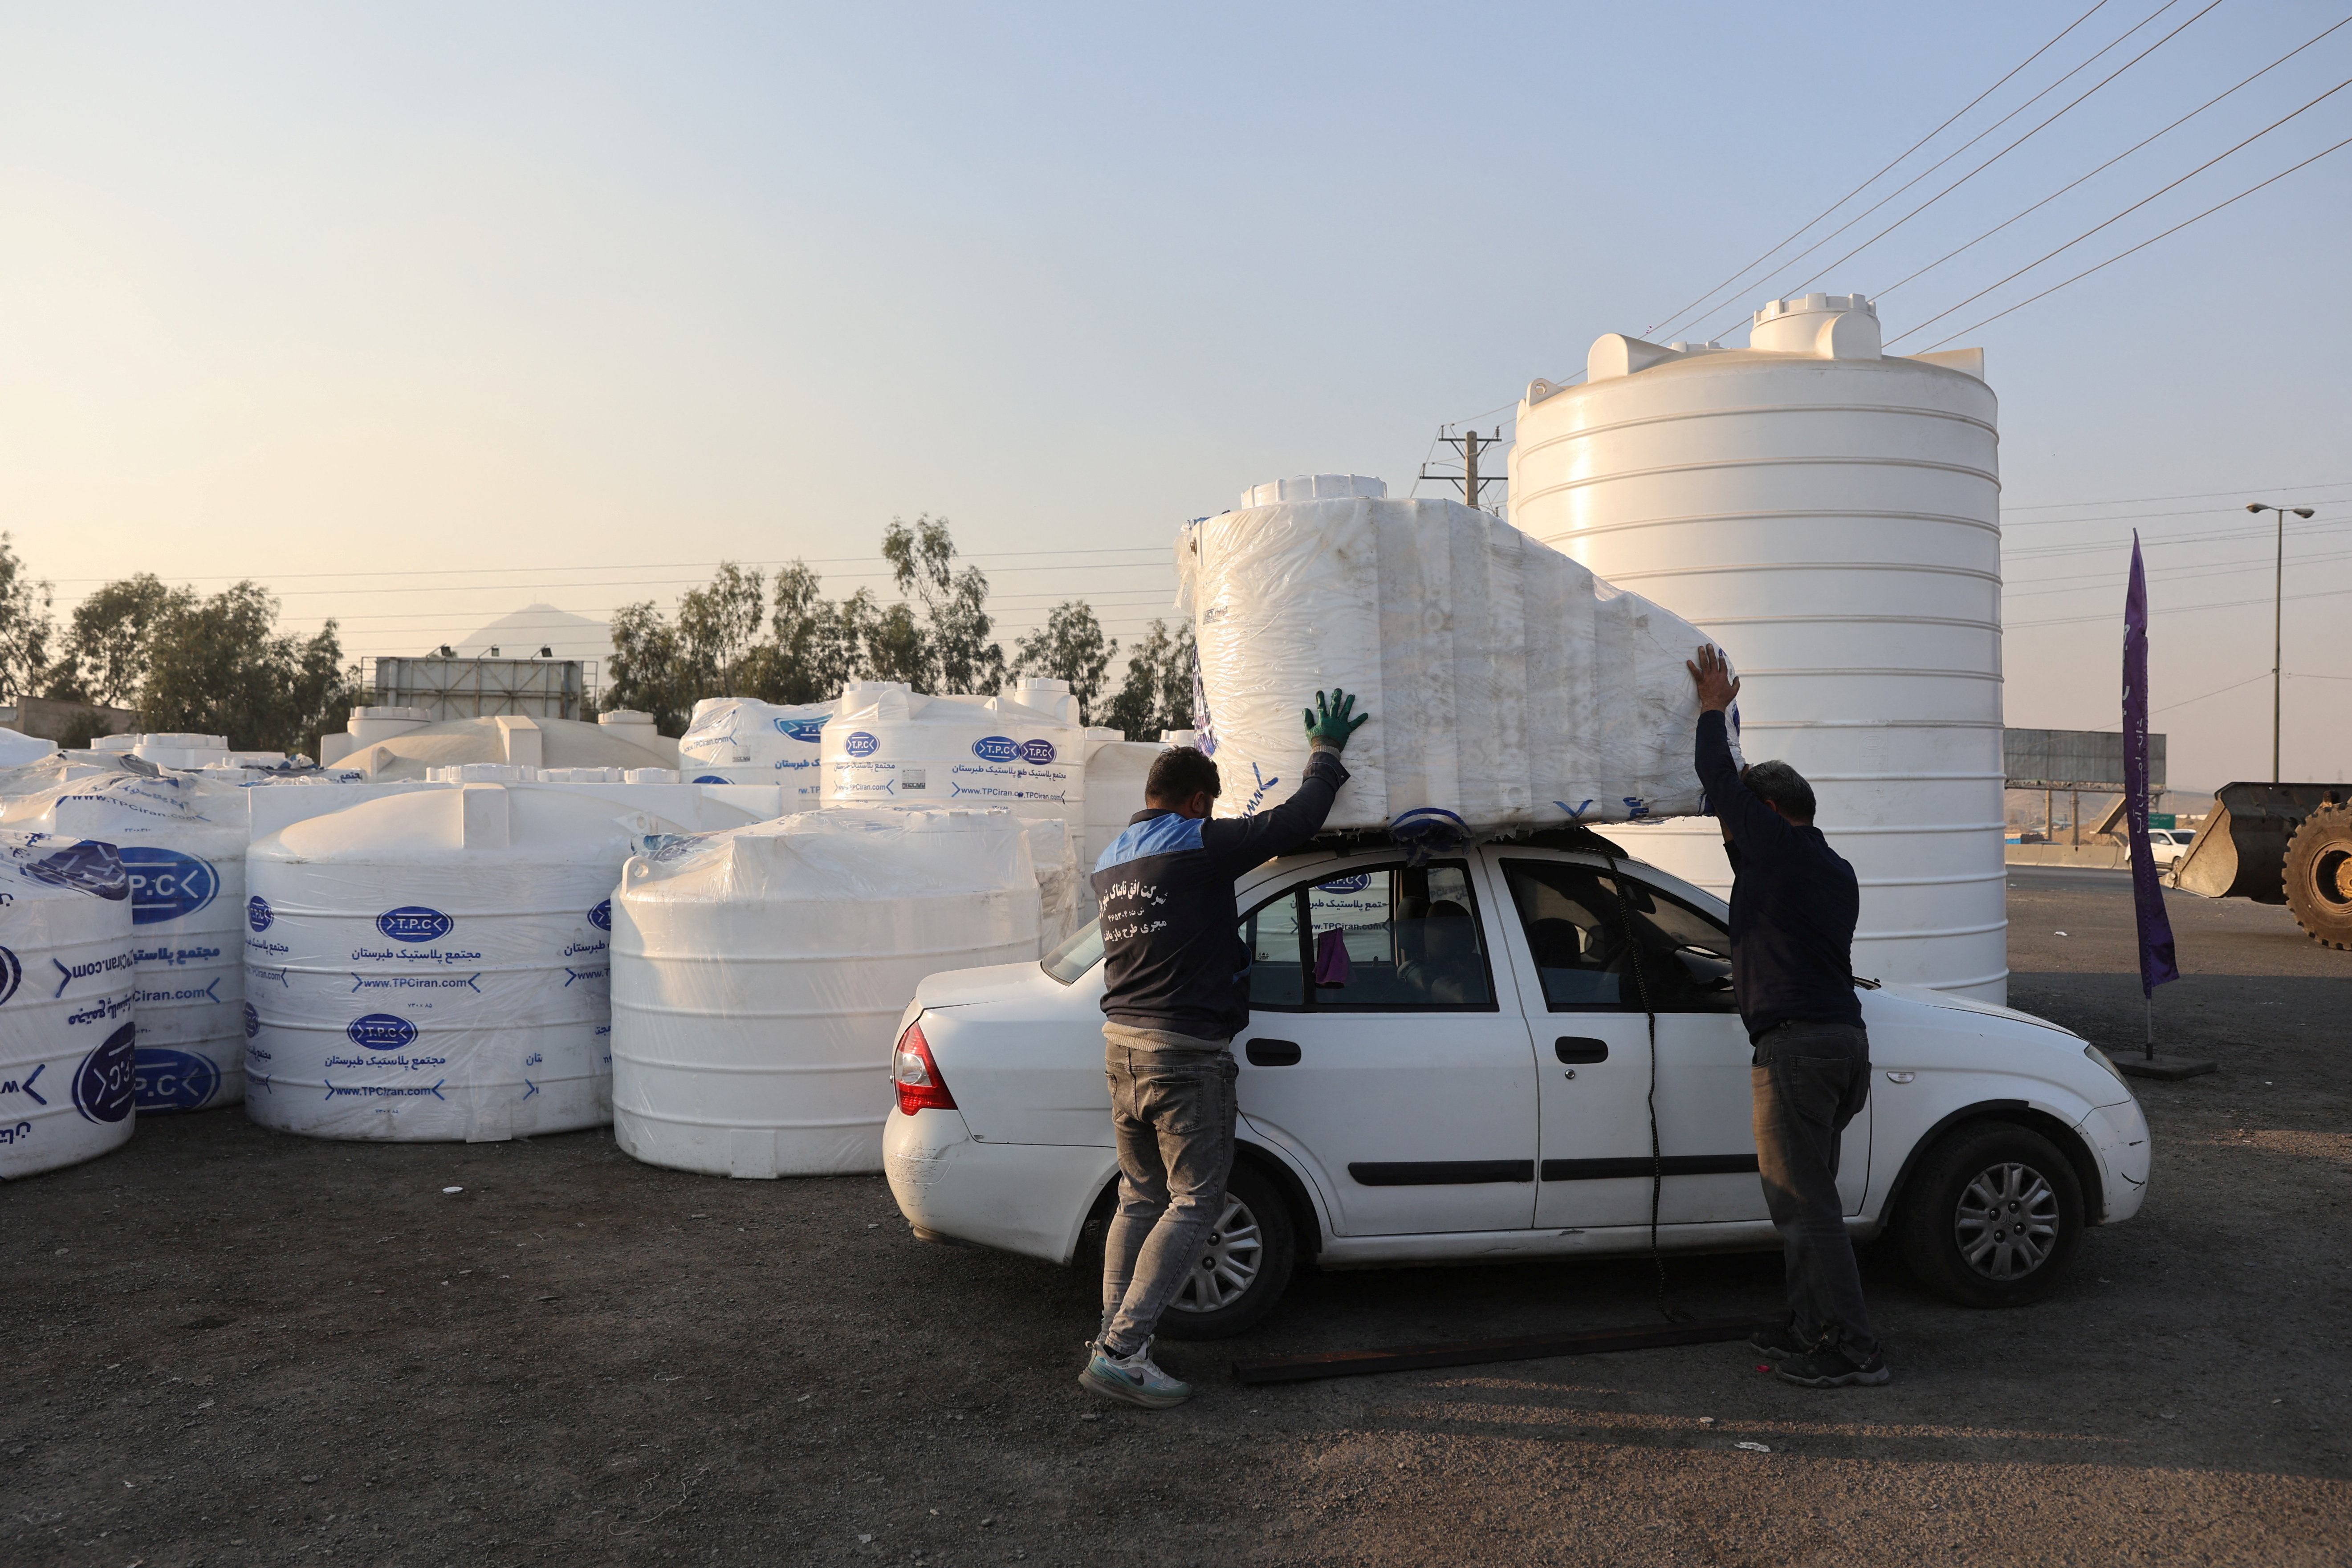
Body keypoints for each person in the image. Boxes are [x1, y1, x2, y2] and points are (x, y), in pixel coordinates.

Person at [1078, 687, 1369, 1409]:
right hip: (1182, 1052)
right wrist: (1325, 756)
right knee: (1196, 1201)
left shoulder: (1112, 859)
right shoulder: (1196, 842)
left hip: (1121, 1048)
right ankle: (1123, 1350)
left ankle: (1112, 1338)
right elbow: (1295, 823)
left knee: (1139, 1197)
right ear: (1196, 803)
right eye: (1209, 806)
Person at [1686, 644, 1887, 1389]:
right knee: (1809, 1202)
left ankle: (1855, 1349)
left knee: (1805, 1209)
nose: (1731, 826)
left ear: (1769, 813)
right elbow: (1735, 831)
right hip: (1840, 1045)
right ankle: (1810, 1325)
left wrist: (1712, 708)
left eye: (1743, 816)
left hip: (1798, 1053)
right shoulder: (1824, 863)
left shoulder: (1778, 849)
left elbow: (1716, 784)